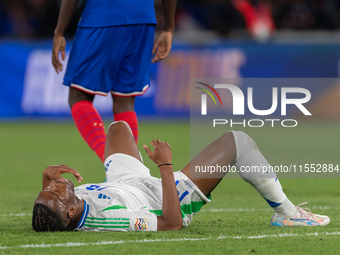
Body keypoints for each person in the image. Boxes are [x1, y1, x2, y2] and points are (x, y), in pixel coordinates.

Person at [32, 121, 330, 232]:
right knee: (237, 142)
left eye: (47, 190)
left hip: (124, 184)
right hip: (163, 197)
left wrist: (49, 182)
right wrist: (165, 166)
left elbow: (54, 214)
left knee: (118, 127)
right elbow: (171, 224)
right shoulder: (114, 219)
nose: (55, 186)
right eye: (56, 191)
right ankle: (288, 213)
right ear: (71, 209)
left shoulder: (68, 209)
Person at [51, 0, 176, 162]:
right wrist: (168, 28)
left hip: (103, 15)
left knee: (78, 96)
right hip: (143, 19)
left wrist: (59, 32)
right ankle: (129, 170)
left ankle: (115, 164)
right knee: (124, 101)